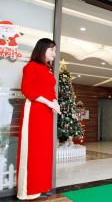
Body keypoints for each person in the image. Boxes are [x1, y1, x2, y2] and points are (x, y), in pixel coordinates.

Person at [16, 38, 61, 200]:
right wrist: (49, 102)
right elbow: (27, 89)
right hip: (34, 111)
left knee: (43, 150)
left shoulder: (46, 69)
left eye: (55, 51)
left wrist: (55, 102)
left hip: (46, 113)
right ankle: (28, 189)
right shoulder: (31, 67)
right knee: (33, 149)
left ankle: (41, 186)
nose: (54, 54)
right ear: (42, 49)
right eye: (52, 50)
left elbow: (50, 90)